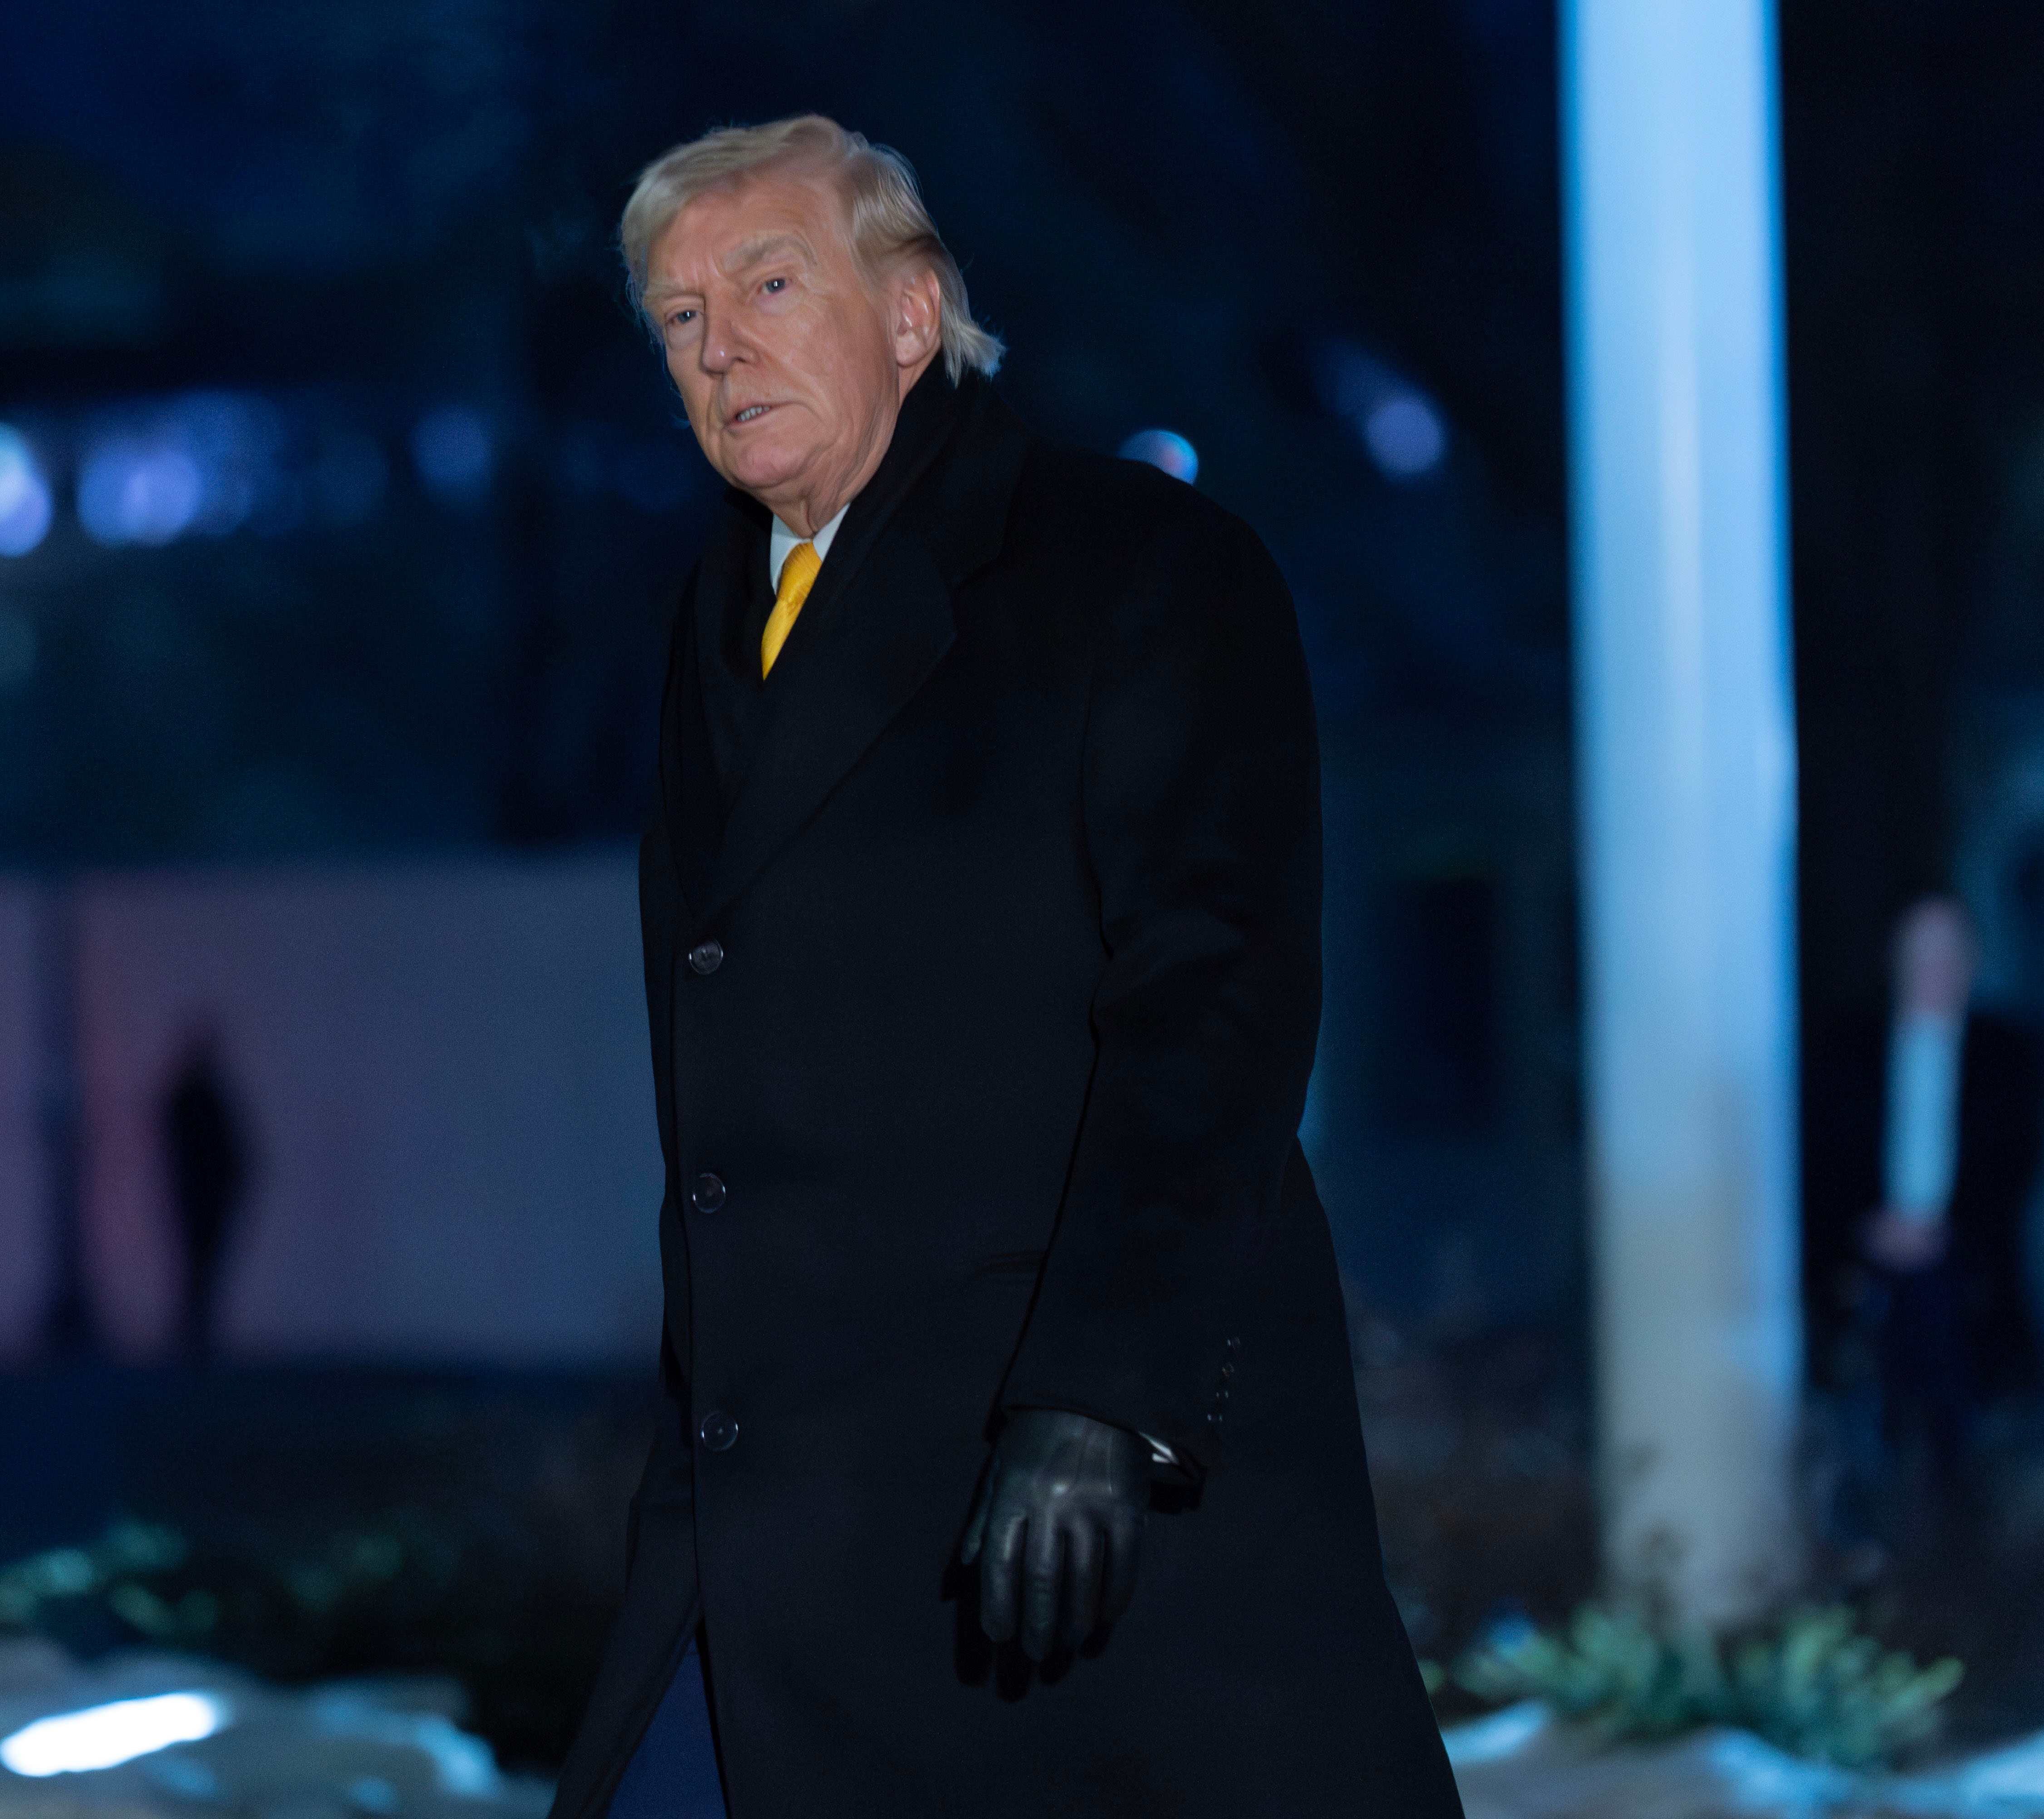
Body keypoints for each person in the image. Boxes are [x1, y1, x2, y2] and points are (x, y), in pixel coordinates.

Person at [552, 116, 1459, 1818]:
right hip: (776, 1515)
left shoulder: (1141, 568)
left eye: (766, 283)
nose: (717, 345)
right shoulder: (709, 624)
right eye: (675, 317)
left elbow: (1214, 1004)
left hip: (1045, 1492)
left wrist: (1098, 1401)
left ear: (911, 316)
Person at [1803, 897, 2044, 1522]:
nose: (1934, 970)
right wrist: (1868, 1232)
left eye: (1949, 955)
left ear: (1972, 962)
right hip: (1865, 1273)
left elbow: (2015, 1167)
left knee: (1964, 1447)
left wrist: (1945, 1231)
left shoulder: (2009, 1055)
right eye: (1921, 954)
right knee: (1869, 1435)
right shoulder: (1846, 1052)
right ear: (1895, 960)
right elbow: (1822, 1160)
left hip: (1966, 1277)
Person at [158, 1023, 250, 1363]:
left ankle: (193, 1335)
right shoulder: (197, 1097)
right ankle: (193, 1336)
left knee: (200, 1269)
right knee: (201, 1268)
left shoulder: (189, 1096)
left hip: (202, 1194)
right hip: (203, 1195)